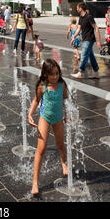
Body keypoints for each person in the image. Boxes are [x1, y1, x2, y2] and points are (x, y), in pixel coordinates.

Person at [28, 59, 68, 196]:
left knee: (60, 144)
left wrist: (67, 115)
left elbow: (65, 101)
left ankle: (63, 163)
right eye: (52, 74)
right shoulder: (42, 85)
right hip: (44, 117)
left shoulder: (62, 85)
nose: (55, 76)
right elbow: (36, 100)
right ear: (45, 74)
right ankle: (35, 182)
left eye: (57, 73)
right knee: (41, 149)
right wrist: (30, 114)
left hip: (58, 119)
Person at [71, 2, 101, 79]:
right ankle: (96, 72)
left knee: (84, 54)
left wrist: (98, 41)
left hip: (89, 39)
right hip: (84, 39)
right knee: (91, 56)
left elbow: (96, 28)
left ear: (80, 8)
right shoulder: (81, 17)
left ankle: (80, 72)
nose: (76, 9)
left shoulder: (89, 17)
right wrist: (74, 37)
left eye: (77, 7)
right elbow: (79, 28)